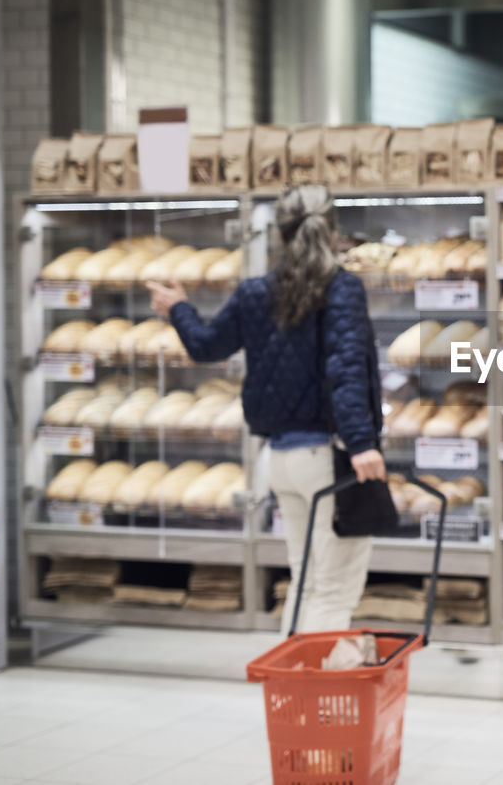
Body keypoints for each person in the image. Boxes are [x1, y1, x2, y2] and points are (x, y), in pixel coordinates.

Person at [147, 184, 384, 634]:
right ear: (332, 231)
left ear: (279, 233)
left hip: (280, 459)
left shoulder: (255, 292)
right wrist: (362, 443)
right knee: (335, 587)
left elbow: (205, 346)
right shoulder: (342, 289)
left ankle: (292, 689)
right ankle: (321, 694)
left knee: (305, 580)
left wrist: (178, 308)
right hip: (329, 459)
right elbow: (346, 367)